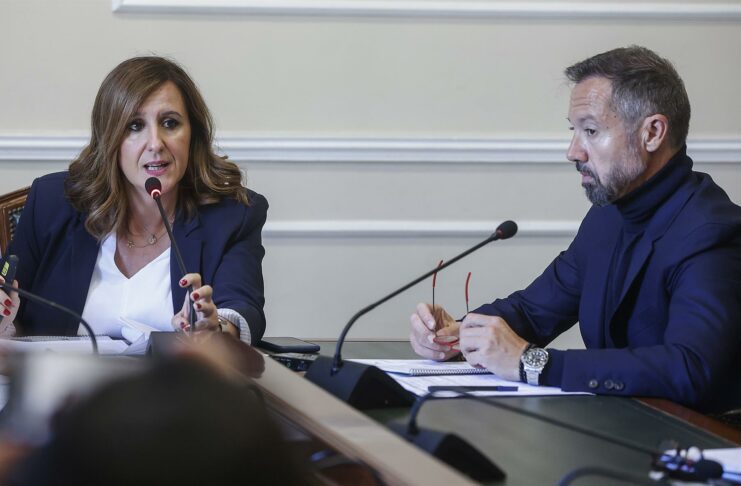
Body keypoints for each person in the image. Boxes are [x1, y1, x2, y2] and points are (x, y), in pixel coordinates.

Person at [410, 46, 741, 414]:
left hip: (701, 437)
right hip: (623, 425)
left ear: (652, 133)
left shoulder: (711, 232)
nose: (573, 151)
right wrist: (460, 334)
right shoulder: (608, 217)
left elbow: (689, 368)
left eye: (591, 131)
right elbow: (533, 311)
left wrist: (533, 362)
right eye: (574, 130)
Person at [0, 56, 267, 344]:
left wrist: (214, 329)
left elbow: (241, 307)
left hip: (175, 375)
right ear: (110, 138)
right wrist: (4, 319)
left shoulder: (232, 216)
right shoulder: (53, 203)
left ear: (193, 133)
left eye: (170, 123)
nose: (155, 144)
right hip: (60, 373)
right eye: (135, 126)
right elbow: (12, 313)